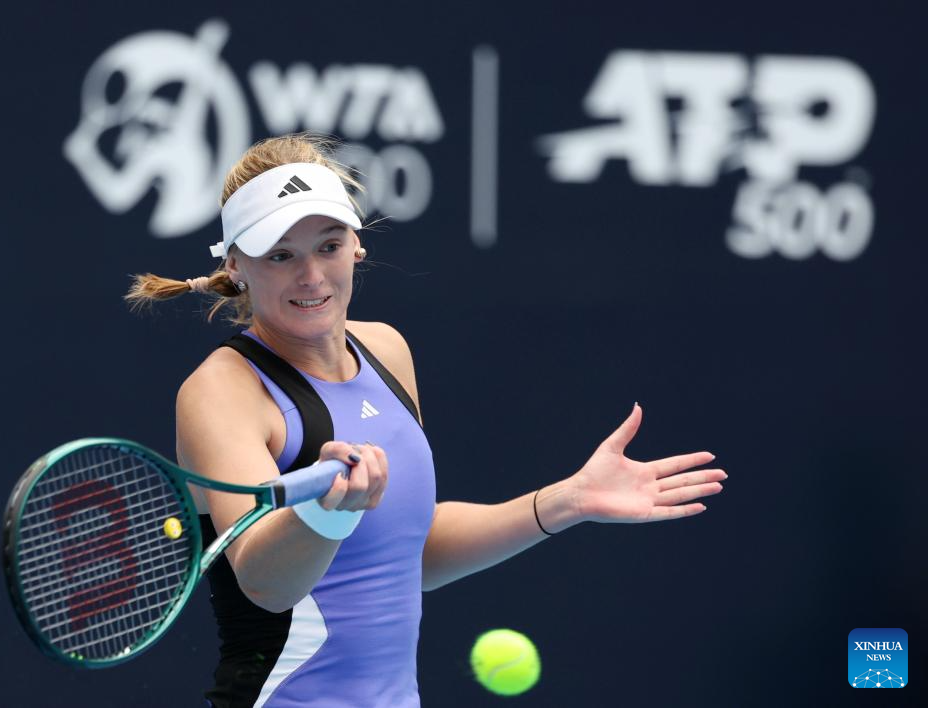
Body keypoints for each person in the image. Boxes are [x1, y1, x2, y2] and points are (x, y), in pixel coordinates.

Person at [126, 134, 727, 708]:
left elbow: (405, 553)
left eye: (328, 246)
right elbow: (265, 583)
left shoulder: (386, 350)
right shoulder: (221, 391)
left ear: (356, 246)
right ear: (236, 265)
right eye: (281, 255)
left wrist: (565, 502)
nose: (311, 276)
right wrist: (328, 514)